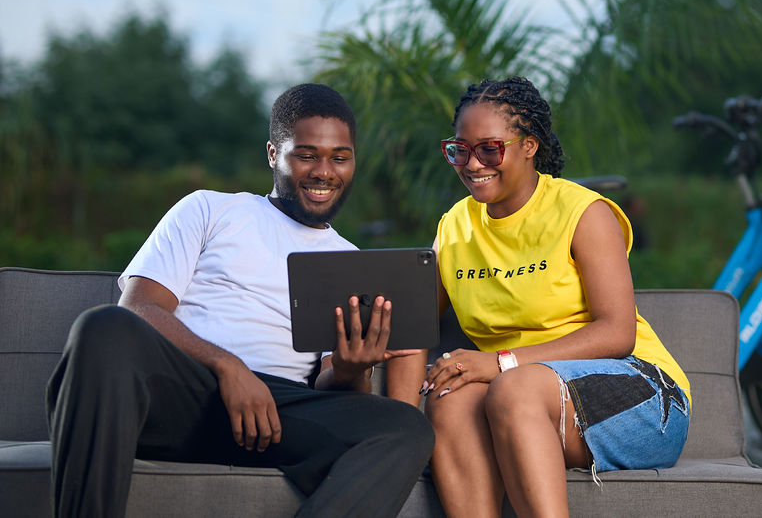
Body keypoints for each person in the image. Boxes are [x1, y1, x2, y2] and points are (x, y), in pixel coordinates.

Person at [46, 83, 434, 518]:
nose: (325, 171)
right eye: (306, 154)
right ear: (273, 153)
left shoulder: (351, 262)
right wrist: (228, 367)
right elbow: (139, 307)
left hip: (280, 414)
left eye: (340, 157)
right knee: (101, 328)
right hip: (184, 394)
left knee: (405, 427)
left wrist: (350, 368)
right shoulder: (209, 210)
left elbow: (332, 384)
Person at [409, 76, 691, 517]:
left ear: (529, 146)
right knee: (450, 396)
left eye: (490, 148)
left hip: (642, 397)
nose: (472, 163)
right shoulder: (454, 227)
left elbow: (617, 334)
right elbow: (412, 328)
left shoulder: (583, 212)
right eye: (459, 149)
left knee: (512, 389)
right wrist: (350, 360)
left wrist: (501, 361)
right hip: (521, 395)